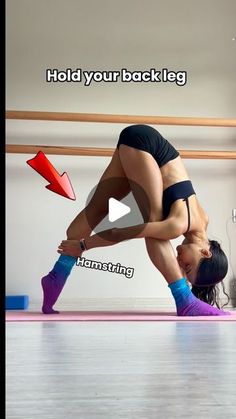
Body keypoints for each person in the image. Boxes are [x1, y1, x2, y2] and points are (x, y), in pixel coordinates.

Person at [41, 124, 230, 315]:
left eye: (183, 270)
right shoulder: (177, 225)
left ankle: (57, 274)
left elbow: (187, 249)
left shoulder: (203, 220)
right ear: (206, 252)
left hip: (140, 140)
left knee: (96, 210)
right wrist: (83, 246)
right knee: (154, 227)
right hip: (147, 147)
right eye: (187, 266)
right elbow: (121, 231)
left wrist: (184, 272)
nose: (179, 263)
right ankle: (184, 300)